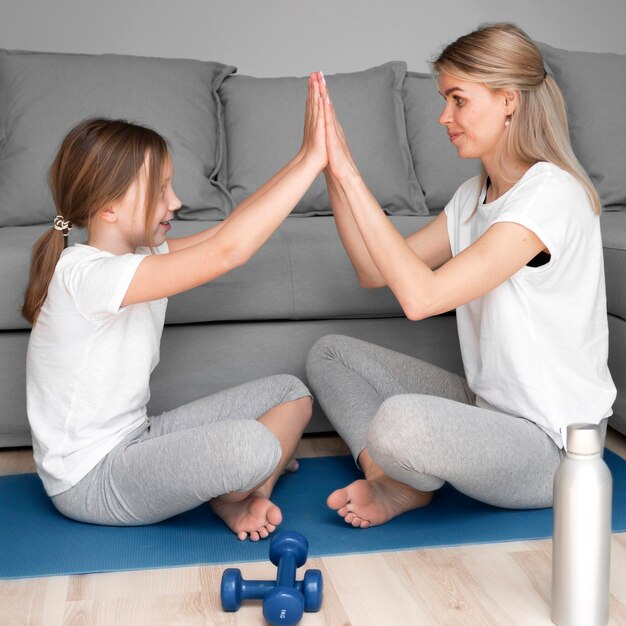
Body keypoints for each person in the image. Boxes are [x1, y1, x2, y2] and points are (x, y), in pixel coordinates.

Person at [305, 23, 616, 528]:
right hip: (485, 408)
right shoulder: (474, 198)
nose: (443, 117)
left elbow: (420, 297)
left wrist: (348, 174)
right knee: (331, 355)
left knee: (400, 423)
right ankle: (392, 478)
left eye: (458, 99)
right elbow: (371, 268)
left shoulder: (551, 195)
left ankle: (402, 475)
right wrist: (329, 165)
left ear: (508, 100)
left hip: (549, 448)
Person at [23, 73, 328, 540]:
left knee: (291, 394)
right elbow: (230, 251)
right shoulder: (83, 273)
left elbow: (231, 231)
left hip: (137, 439)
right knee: (254, 445)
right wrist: (314, 163)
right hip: (91, 481)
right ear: (108, 206)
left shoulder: (141, 259)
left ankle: (246, 497)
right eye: (161, 189)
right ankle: (239, 487)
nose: (177, 202)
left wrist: (305, 158)